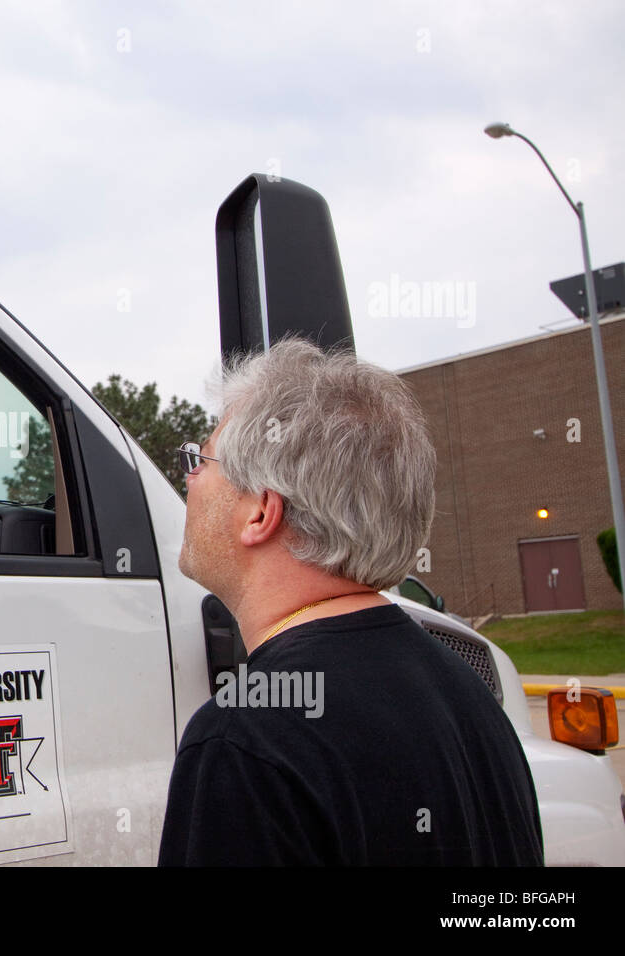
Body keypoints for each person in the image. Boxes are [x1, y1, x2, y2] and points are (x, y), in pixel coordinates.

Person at [159, 337, 543, 866]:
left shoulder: (244, 739)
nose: (189, 478)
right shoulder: (470, 696)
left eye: (199, 460)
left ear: (261, 513)